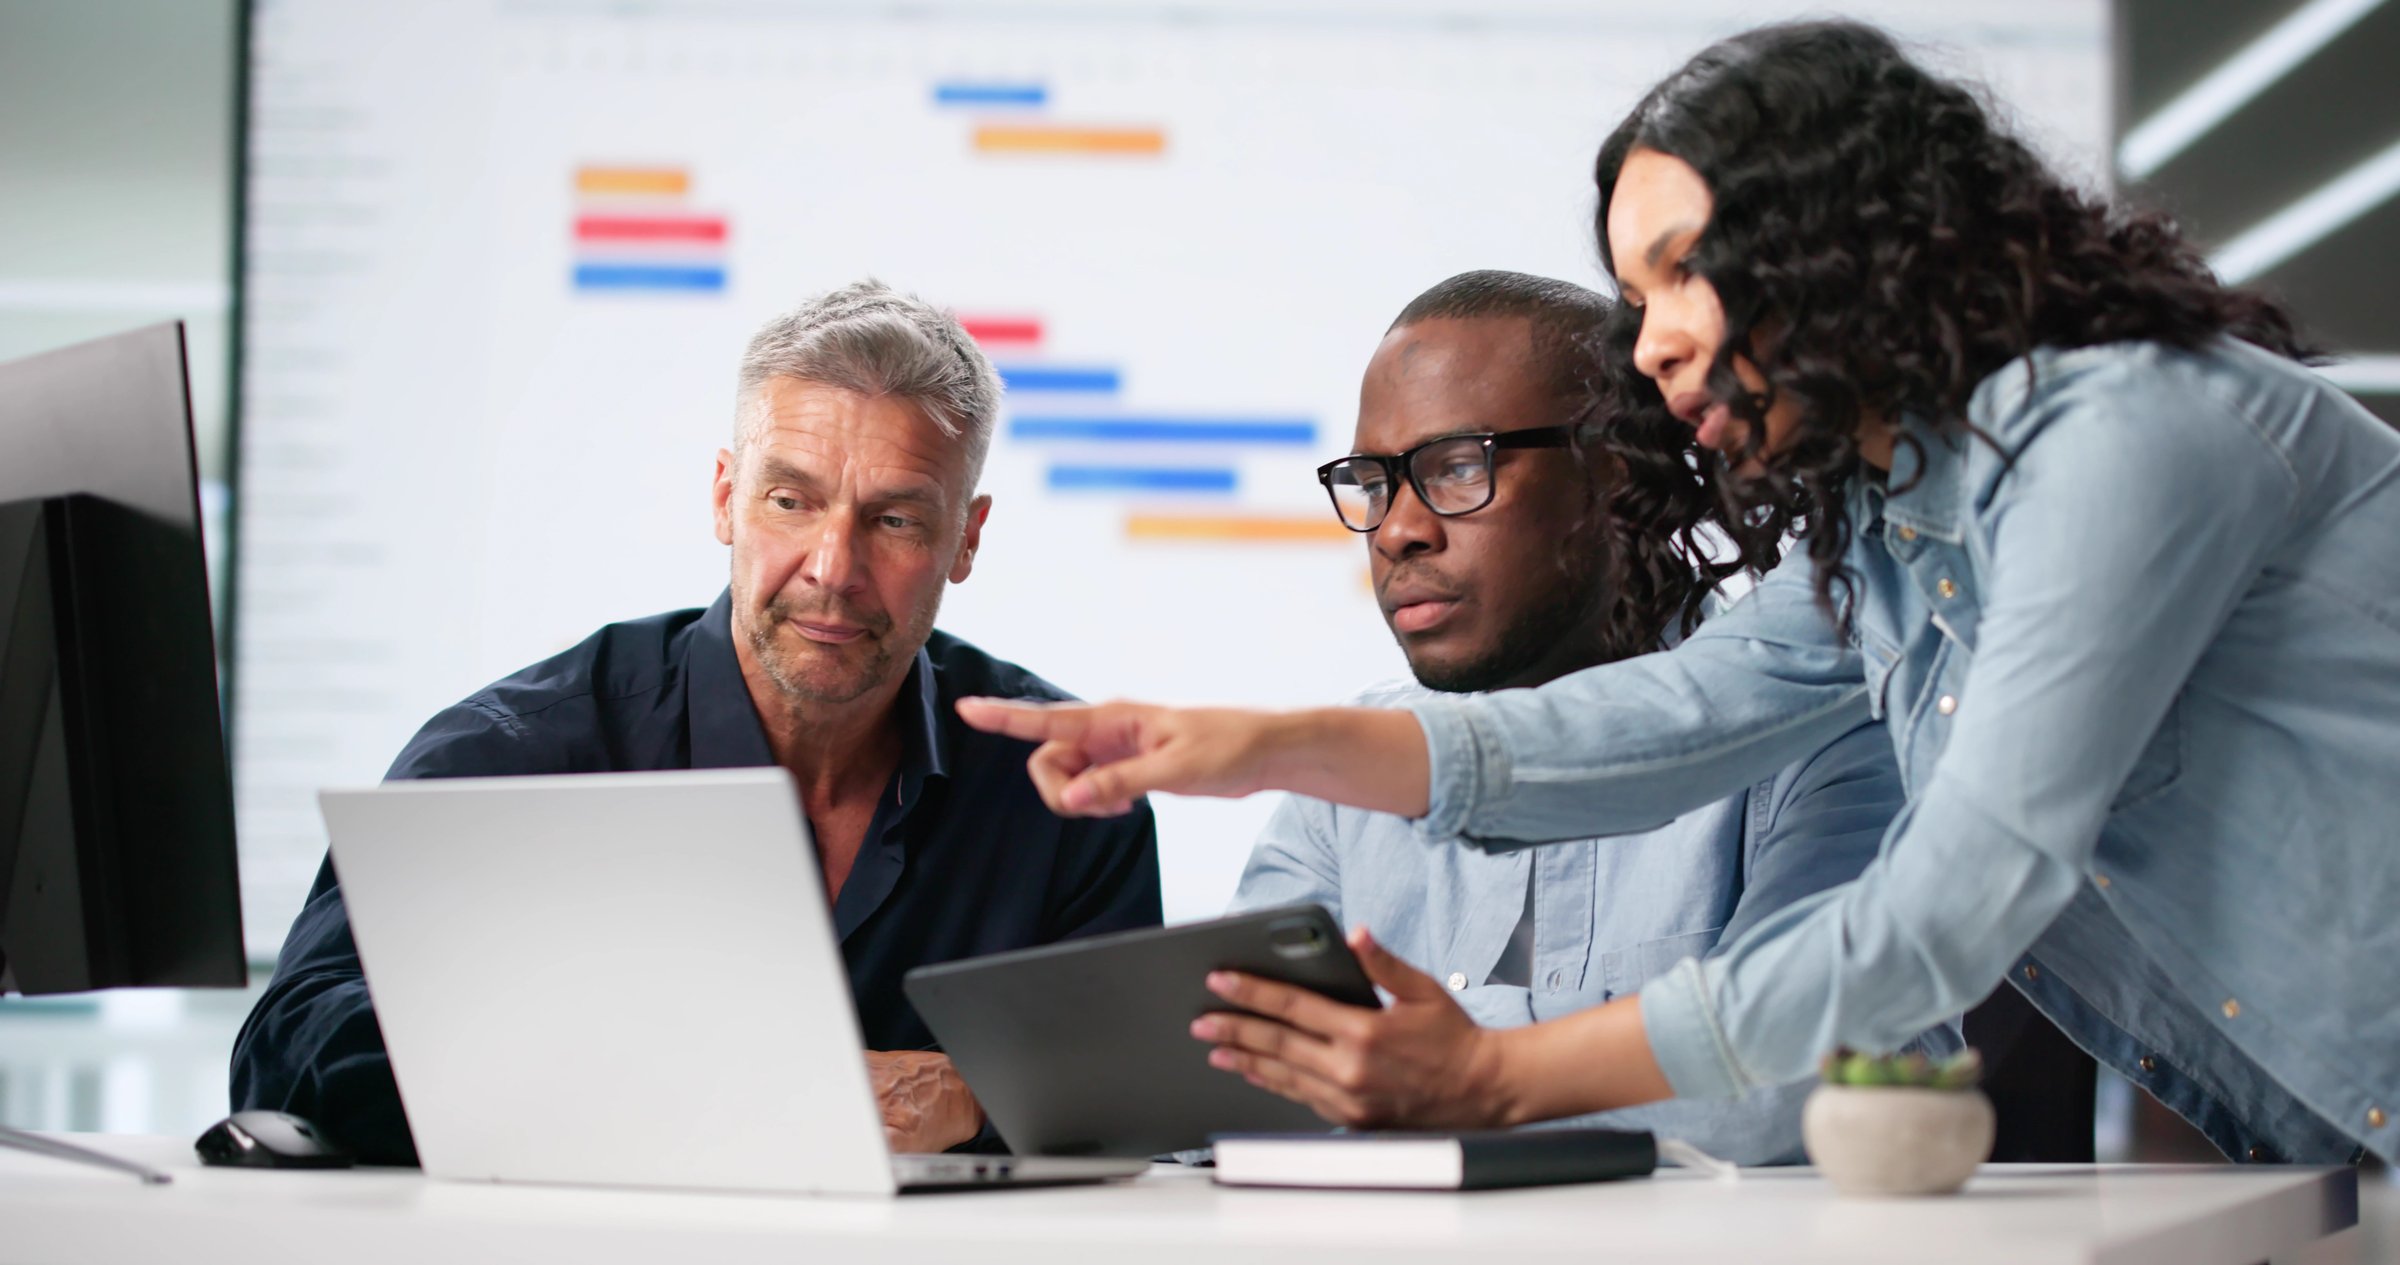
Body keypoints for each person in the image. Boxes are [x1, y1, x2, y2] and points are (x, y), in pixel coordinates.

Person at [961, 21, 2400, 1166]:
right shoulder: (1893, 523)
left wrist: (1498, 1072)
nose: (1647, 347)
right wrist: (1252, 745)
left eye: (1677, 278)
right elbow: (1659, 717)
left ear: (1844, 241)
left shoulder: (2116, 439)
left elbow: (1943, 911)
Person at [235, 280, 1162, 1164]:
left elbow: (1139, 1089)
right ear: (726, 497)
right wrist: (715, 1081)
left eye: (896, 520)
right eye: (790, 500)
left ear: (967, 537)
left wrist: (972, 1090)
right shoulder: (515, 754)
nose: (832, 568)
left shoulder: (1065, 786)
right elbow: (289, 1054)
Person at [1225, 269, 1937, 1164]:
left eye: (1455, 467)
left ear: (1615, 473)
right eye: (1374, 481)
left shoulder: (1824, 734)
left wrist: (1440, 1063)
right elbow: (1224, 1078)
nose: (1398, 529)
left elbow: (1797, 1083)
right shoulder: (1348, 784)